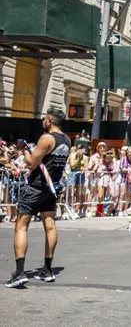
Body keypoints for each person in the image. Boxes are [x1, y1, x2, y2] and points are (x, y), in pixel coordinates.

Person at [6, 108, 71, 288]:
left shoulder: (47, 138)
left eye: (44, 119)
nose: (43, 121)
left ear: (49, 120)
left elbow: (31, 163)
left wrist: (25, 150)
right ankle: (47, 269)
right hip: (51, 187)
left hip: (36, 187)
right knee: (50, 226)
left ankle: (19, 273)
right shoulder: (66, 139)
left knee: (21, 227)